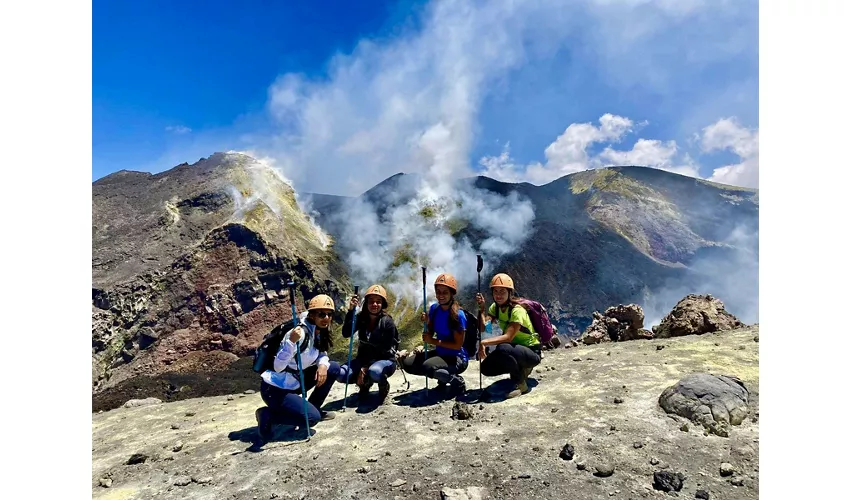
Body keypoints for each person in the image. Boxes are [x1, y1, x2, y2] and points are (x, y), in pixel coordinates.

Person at [255, 294, 341, 440]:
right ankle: (268, 415)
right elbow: (278, 366)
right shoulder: (299, 334)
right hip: (276, 389)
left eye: (329, 314)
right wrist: (290, 343)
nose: (326, 318)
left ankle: (312, 408)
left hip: (294, 381)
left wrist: (322, 366)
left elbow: (322, 354)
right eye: (321, 314)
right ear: (312, 315)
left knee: (332, 367)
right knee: (312, 420)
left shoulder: (318, 331)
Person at [401, 273, 468, 396]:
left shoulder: (458, 315)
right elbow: (431, 332)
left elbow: (457, 346)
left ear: (451, 293)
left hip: (457, 358)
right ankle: (443, 379)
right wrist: (428, 323)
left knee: (428, 366)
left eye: (445, 292)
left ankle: (456, 382)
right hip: (441, 353)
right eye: (438, 292)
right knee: (408, 363)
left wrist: (433, 341)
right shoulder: (434, 309)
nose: (441, 295)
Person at [475, 273, 542, 398]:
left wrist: (484, 343)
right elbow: (484, 328)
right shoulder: (495, 308)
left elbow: (508, 337)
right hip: (515, 350)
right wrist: (482, 310)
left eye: (502, 291)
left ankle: (521, 384)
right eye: (495, 291)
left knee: (503, 347)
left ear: (509, 292)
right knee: (486, 368)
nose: (498, 295)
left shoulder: (517, 311)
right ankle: (519, 369)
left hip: (532, 351)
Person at [338, 284, 400, 404]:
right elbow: (346, 333)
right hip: (363, 360)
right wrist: (350, 311)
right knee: (341, 374)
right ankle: (365, 385)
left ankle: (382, 385)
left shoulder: (387, 322)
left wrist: (365, 367)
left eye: (378, 302)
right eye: (371, 301)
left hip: (385, 360)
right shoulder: (361, 318)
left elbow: (386, 349)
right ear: (366, 303)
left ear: (383, 304)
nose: (374, 305)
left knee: (375, 371)